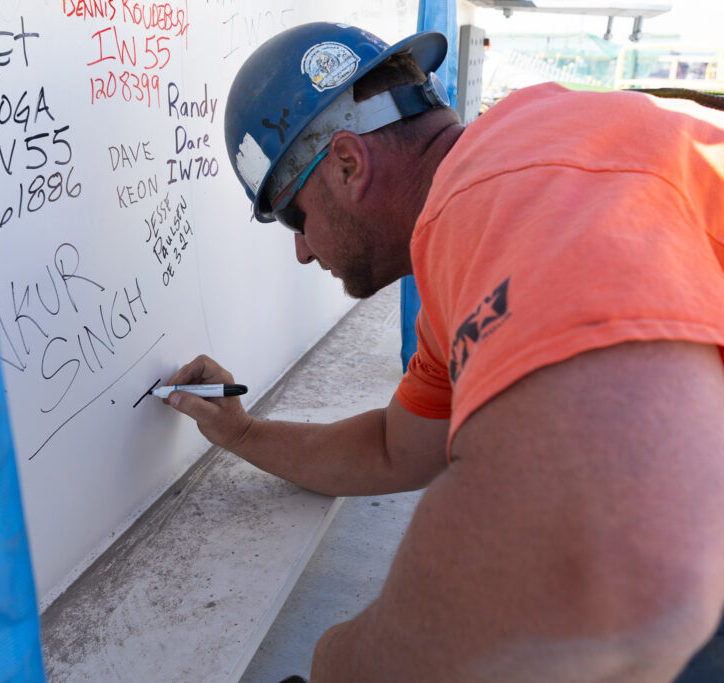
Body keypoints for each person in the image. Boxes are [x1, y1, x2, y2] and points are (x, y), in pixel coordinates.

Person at [161, 22, 724, 682]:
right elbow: (394, 449)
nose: (303, 250)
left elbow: (619, 570)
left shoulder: (516, 184)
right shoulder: (478, 239)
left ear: (348, 164)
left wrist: (343, 665)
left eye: (294, 216)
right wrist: (242, 431)